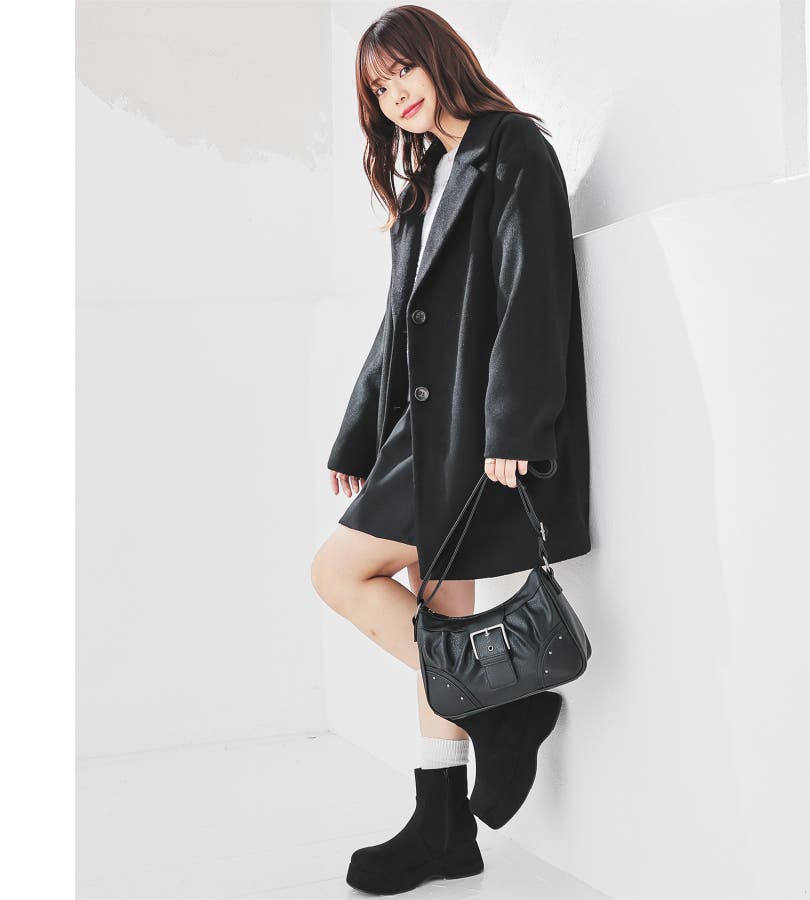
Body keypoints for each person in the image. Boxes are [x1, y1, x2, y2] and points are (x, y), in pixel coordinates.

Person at [310, 5, 591, 894]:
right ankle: (446, 821)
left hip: (474, 434)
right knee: (437, 613)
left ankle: (497, 720)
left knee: (338, 574)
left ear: (439, 58)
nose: (395, 94)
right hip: (424, 433)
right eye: (378, 86)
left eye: (403, 71)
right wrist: (362, 430)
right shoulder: (427, 180)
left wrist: (515, 424)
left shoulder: (513, 149)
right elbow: (397, 323)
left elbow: (533, 288)